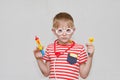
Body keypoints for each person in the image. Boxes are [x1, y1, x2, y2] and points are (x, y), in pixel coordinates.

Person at [33, 12, 95, 80]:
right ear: (54, 31)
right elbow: (46, 73)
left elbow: (84, 75)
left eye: (68, 30)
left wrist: (90, 56)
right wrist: (39, 59)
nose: (64, 34)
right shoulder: (50, 48)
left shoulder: (79, 49)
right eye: (60, 31)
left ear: (73, 31)